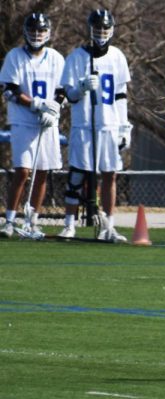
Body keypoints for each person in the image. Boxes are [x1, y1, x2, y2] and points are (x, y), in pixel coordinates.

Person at [59, 9, 132, 242]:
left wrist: (124, 126)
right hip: (84, 122)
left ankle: (108, 226)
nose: (101, 32)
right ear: (90, 30)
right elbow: (68, 94)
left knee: (110, 174)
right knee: (78, 174)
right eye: (98, 28)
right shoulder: (76, 57)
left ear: (112, 30)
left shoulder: (118, 56)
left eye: (105, 28)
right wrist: (80, 88)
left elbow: (121, 95)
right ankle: (69, 224)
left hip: (110, 123)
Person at [0, 12, 65, 240]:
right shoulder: (15, 56)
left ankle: (32, 221)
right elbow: (11, 89)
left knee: (43, 172)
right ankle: (9, 220)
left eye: (41, 30)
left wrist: (54, 108)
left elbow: (62, 90)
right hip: (23, 121)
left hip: (47, 124)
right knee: (23, 171)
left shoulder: (56, 58)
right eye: (33, 30)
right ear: (26, 32)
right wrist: (37, 104)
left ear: (48, 32)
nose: (36, 35)